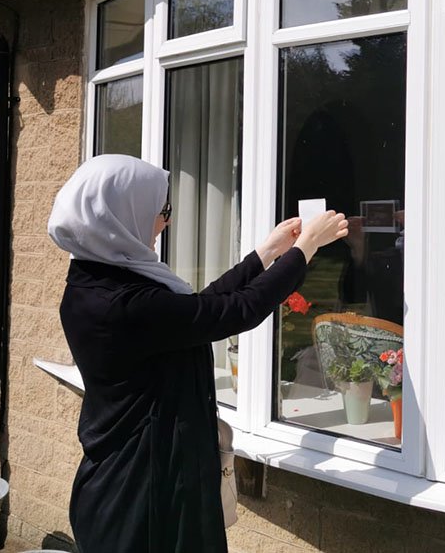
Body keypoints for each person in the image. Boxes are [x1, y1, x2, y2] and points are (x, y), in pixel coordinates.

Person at [47, 154, 348, 553]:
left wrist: (265, 255)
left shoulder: (95, 284)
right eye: (161, 209)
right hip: (142, 500)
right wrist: (306, 248)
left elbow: (195, 312)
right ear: (119, 214)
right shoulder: (125, 303)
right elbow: (230, 312)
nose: (166, 220)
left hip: (132, 482)